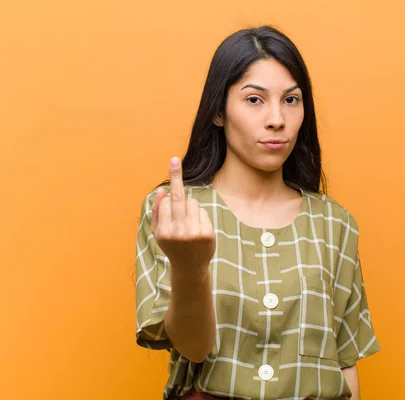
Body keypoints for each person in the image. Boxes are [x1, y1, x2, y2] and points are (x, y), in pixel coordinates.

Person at [135, 25, 380, 400]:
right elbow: (193, 348)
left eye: (291, 100)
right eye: (254, 100)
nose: (276, 119)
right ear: (218, 111)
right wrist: (191, 267)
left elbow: (344, 364)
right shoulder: (177, 212)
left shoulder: (335, 224)